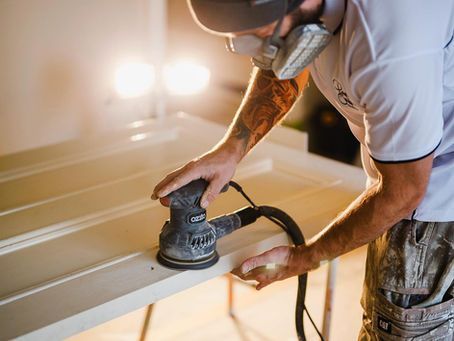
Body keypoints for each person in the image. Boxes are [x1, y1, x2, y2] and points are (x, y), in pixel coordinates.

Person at [152, 0, 454, 339]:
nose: (259, 51)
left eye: (262, 35)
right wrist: (231, 149)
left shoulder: (388, 47)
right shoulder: (304, 15)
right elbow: (288, 58)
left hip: (438, 202)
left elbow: (404, 192)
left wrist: (306, 257)